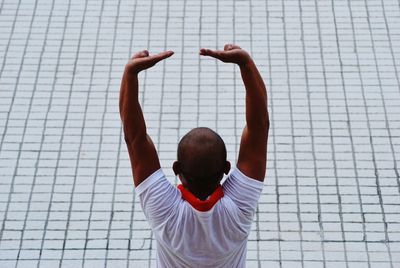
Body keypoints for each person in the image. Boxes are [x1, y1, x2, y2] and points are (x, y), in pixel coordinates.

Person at [119, 44, 269, 268]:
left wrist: (130, 74)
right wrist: (245, 63)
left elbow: (135, 139)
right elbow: (259, 129)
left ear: (176, 169)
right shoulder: (239, 207)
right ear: (226, 168)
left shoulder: (164, 209)